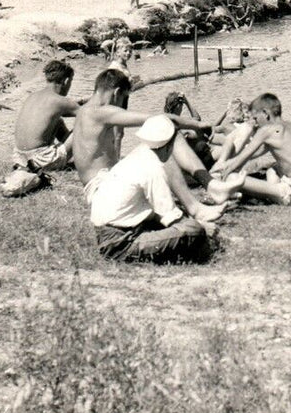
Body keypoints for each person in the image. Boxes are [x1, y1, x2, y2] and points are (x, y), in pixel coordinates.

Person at [71, 68, 218, 205]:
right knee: (167, 131)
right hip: (102, 189)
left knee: (151, 148)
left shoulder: (84, 111)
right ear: (116, 93)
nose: (121, 104)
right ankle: (208, 186)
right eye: (124, 98)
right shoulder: (101, 112)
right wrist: (197, 125)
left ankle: (203, 187)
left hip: (96, 187)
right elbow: (159, 118)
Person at [87, 115, 220, 264]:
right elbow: (172, 218)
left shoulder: (136, 156)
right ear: (170, 146)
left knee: (179, 218)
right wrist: (203, 227)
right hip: (121, 244)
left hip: (106, 232)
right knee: (194, 230)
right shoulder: (153, 168)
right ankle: (203, 249)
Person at [211, 93, 291, 205]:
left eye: (255, 119)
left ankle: (277, 195)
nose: (255, 123)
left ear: (265, 113)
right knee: (273, 168)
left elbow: (240, 160)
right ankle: (274, 194)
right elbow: (254, 154)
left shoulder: (266, 131)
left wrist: (220, 171)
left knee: (232, 178)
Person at [12, 60, 77, 173]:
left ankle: (68, 154)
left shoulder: (32, 96)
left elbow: (60, 111)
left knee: (58, 121)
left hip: (19, 158)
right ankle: (86, 158)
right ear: (66, 81)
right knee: (85, 123)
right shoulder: (60, 101)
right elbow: (90, 114)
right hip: (41, 160)